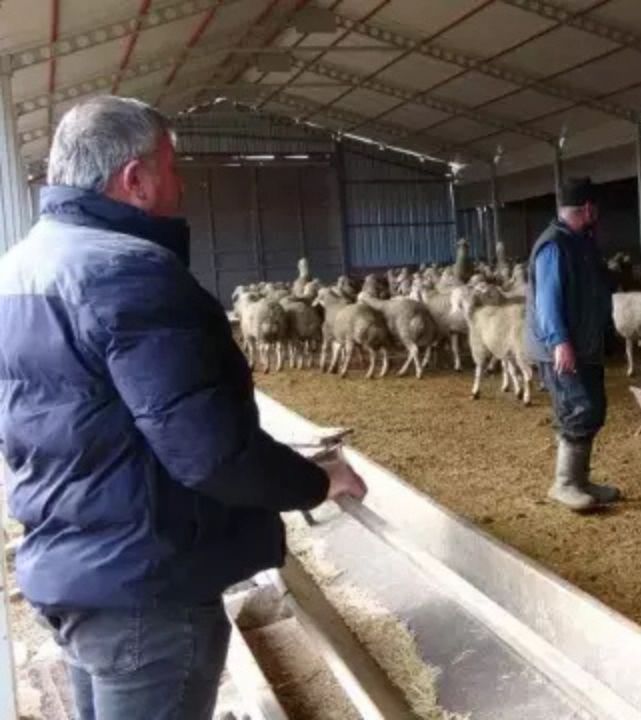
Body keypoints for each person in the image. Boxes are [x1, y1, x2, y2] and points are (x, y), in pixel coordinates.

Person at [0, 96, 368, 720]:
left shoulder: (20, 270)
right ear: (135, 180)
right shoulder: (131, 273)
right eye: (171, 168)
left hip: (70, 569)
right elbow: (210, 451)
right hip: (146, 588)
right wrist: (317, 481)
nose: (181, 183)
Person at [526, 178, 622, 512]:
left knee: (593, 408)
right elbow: (547, 300)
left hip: (585, 344)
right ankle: (564, 483)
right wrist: (559, 341)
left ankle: (580, 480)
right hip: (564, 348)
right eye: (596, 208)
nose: (598, 214)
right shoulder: (554, 245)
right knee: (578, 409)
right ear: (587, 208)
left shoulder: (580, 241)